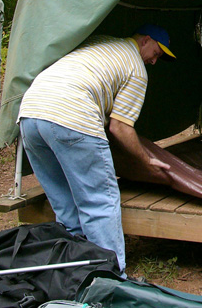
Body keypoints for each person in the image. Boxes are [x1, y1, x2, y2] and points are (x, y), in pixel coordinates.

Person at [17, 25, 176, 274]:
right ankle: (111, 276)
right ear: (145, 41)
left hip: (30, 115)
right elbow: (120, 128)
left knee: (64, 204)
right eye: (156, 53)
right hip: (72, 116)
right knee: (99, 202)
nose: (154, 62)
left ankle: (73, 271)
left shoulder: (100, 41)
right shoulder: (135, 67)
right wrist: (146, 161)